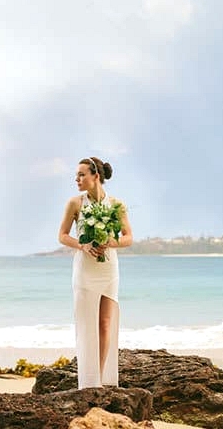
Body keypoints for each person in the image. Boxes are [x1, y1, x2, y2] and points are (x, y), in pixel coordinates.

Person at [58, 156, 132, 389]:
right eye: (76, 175)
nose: (77, 179)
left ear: (95, 176)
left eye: (81, 174)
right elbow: (62, 235)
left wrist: (111, 241)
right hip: (84, 269)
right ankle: (87, 381)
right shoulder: (75, 203)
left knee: (106, 323)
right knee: (85, 323)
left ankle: (99, 379)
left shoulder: (117, 204)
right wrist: (83, 245)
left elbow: (128, 237)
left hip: (109, 268)